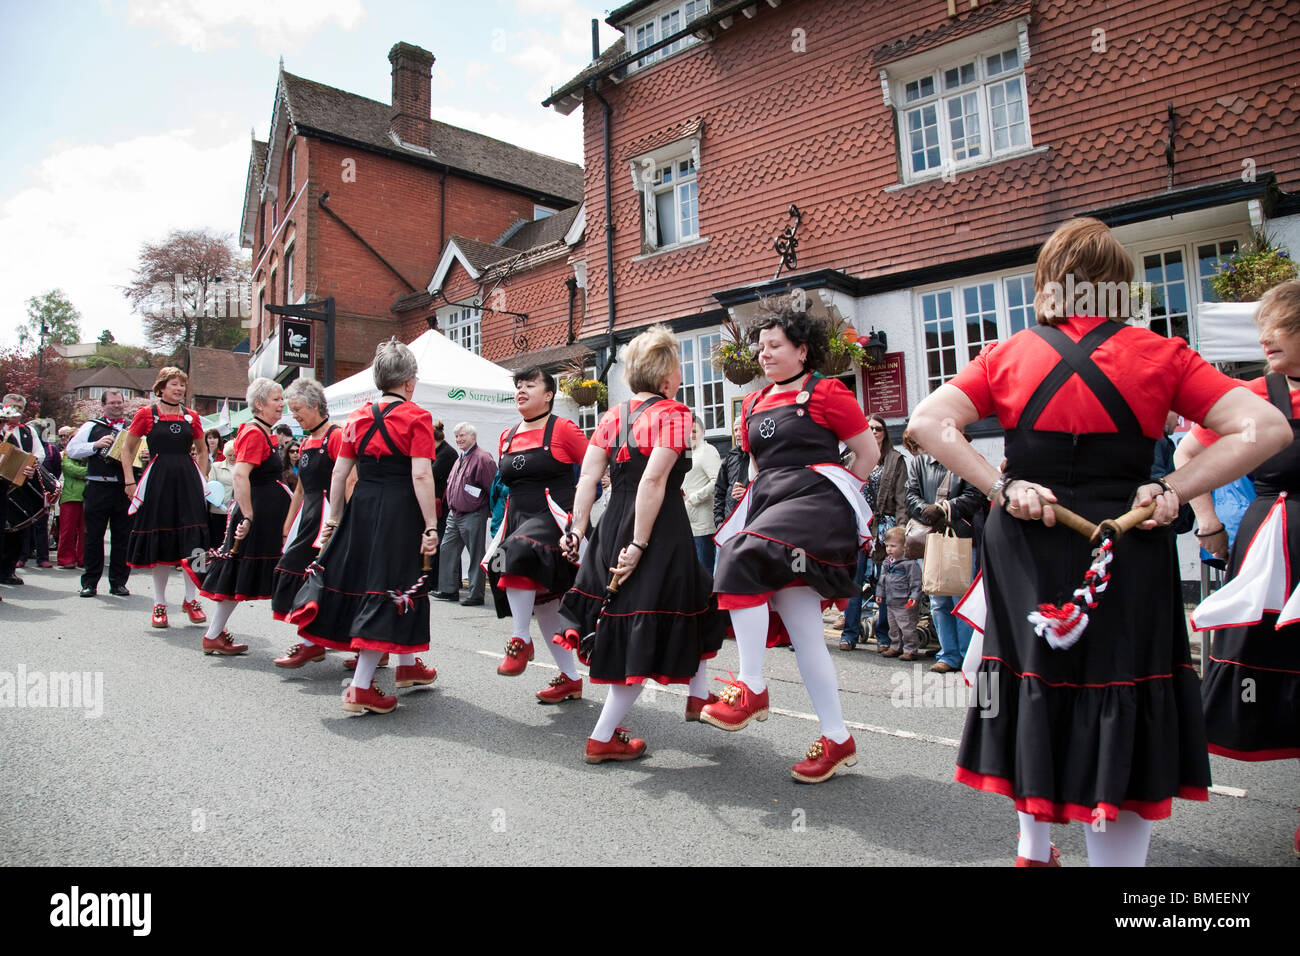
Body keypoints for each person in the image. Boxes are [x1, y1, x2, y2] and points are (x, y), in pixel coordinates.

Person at [907, 216, 1290, 867]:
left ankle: (1033, 850)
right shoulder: (1161, 354)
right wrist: (1172, 486)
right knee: (1122, 688)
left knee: (1034, 683)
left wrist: (1003, 489)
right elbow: (1266, 428)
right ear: (1119, 288)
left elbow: (927, 422)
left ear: (1049, 289)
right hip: (1128, 542)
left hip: (1026, 538)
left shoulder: (1008, 353)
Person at [702, 300, 879, 783]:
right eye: (760, 347)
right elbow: (757, 469)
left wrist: (838, 496)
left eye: (774, 346)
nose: (763, 354)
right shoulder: (754, 403)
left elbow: (867, 452)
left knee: (740, 556)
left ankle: (751, 685)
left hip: (814, 503)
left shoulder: (828, 392)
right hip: (771, 505)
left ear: (802, 351)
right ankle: (838, 738)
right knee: (805, 634)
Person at [556, 326, 727, 763]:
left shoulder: (613, 416)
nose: (681, 377)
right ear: (666, 374)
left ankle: (698, 694)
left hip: (614, 520)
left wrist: (577, 530)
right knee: (637, 621)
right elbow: (653, 480)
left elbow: (590, 478)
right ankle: (602, 736)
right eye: (678, 368)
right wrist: (639, 543)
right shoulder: (674, 414)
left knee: (698, 594)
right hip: (657, 525)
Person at [1175, 279, 1300, 857]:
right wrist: (1207, 521)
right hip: (1273, 546)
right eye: (1263, 325)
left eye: (1282, 324)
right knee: (1273, 668)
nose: (1265, 336)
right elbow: (1188, 454)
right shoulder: (1256, 395)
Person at [287, 339, 440, 714]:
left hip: (363, 506)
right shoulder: (416, 417)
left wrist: (336, 516)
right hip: (399, 507)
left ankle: (407, 665)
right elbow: (420, 474)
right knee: (389, 583)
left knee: (373, 580)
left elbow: (340, 473)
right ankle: (360, 687)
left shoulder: (356, 417)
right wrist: (432, 523)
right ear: (409, 382)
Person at [484, 367, 588, 702]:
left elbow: (595, 466)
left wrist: (584, 516)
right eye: (518, 385)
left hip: (553, 519)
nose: (521, 390)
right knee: (545, 607)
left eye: (530, 385)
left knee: (515, 555)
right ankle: (570, 678)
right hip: (517, 519)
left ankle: (519, 640)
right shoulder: (507, 436)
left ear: (548, 395)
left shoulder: (564, 429)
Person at [183, 378, 292, 656]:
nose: (282, 404)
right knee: (242, 572)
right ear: (259, 404)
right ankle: (311, 640)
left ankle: (213, 635)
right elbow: (240, 474)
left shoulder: (262, 431)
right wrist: (248, 515)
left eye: (282, 399)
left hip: (265, 513)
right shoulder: (255, 432)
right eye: (276, 399)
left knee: (240, 575)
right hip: (258, 514)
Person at [120, 367, 211, 629]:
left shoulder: (192, 416)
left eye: (182, 385)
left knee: (193, 540)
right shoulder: (146, 414)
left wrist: (202, 479)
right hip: (158, 482)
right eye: (174, 384)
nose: (179, 389)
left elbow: (203, 450)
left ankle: (191, 599)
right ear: (161, 388)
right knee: (160, 541)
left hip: (188, 482)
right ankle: (159, 603)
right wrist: (129, 480)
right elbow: (128, 449)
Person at [271, 378, 346, 669]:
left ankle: (312, 644)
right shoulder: (304, 441)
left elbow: (349, 479)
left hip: (329, 515)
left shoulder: (336, 436)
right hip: (309, 515)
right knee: (300, 572)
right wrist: (287, 525)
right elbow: (301, 488)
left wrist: (340, 520)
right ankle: (313, 643)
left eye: (298, 408)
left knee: (326, 579)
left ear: (315, 405)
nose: (295, 415)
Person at [905, 435, 984, 674]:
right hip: (930, 536)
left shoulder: (968, 458)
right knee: (939, 600)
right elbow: (910, 495)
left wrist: (943, 509)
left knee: (960, 599)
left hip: (960, 537)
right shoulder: (919, 463)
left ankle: (965, 655)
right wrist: (926, 511)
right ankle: (947, 654)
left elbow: (975, 494)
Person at [843, 415, 908, 651]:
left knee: (884, 584)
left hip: (885, 528)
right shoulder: (852, 458)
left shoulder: (895, 460)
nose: (873, 432)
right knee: (854, 582)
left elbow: (902, 498)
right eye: (868, 428)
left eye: (878, 429)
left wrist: (900, 530)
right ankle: (849, 634)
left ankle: (883, 636)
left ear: (884, 432)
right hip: (858, 527)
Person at [65, 390, 132, 597]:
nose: (116, 406)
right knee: (93, 536)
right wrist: (95, 445)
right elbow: (71, 450)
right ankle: (90, 583)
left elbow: (144, 451)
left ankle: (119, 582)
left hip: (124, 488)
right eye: (112, 403)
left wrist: (144, 454)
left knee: (123, 537)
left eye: (119, 402)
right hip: (97, 487)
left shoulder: (132, 427)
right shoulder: (92, 426)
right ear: (103, 405)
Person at [435, 422, 497, 606]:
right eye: (457, 436)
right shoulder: (460, 457)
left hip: (473, 513)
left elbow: (492, 487)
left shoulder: (483, 458)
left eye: (462, 435)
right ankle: (448, 590)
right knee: (446, 549)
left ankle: (476, 594)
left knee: (476, 554)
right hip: (455, 514)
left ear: (473, 437)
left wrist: (490, 511)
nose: (459, 439)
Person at [1, 395, 46, 586]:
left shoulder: (29, 431)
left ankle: (8, 570)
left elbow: (39, 453)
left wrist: (30, 465)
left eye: (19, 407)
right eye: (11, 406)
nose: (15, 410)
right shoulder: (3, 430)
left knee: (17, 528)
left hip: (19, 485)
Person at [683, 414, 722, 569]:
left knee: (705, 567)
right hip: (689, 520)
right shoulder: (688, 452)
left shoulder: (708, 450)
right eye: (687, 431)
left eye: (694, 431)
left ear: (703, 432)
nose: (690, 435)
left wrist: (694, 498)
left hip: (704, 521)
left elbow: (717, 481)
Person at [877, 527, 922, 658]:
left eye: (893, 546)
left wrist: (914, 597)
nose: (889, 549)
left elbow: (916, 582)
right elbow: (882, 580)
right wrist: (880, 594)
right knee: (893, 627)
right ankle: (896, 646)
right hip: (891, 601)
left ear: (904, 547)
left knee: (907, 627)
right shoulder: (887, 563)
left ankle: (910, 649)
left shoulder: (910, 564)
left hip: (905, 602)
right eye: (887, 546)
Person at [57, 428, 86, 570]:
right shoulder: (65, 456)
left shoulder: (91, 455)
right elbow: (70, 470)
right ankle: (65, 558)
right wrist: (88, 472)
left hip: (88, 496)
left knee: (86, 531)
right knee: (67, 530)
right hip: (70, 496)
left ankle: (84, 558)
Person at [713, 416, 748, 530]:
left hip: (751, 520)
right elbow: (719, 490)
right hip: (729, 522)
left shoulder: (758, 456)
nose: (737, 434)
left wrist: (748, 495)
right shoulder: (730, 457)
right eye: (735, 430)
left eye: (740, 429)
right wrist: (718, 521)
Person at [206, 440, 236, 548]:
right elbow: (210, 487)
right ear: (225, 454)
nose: (232, 457)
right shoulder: (216, 467)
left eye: (234, 455)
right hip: (218, 510)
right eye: (229, 455)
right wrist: (218, 503)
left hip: (235, 511)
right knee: (218, 540)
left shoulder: (242, 468)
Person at [432, 420, 457, 541]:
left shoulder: (447, 453)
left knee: (440, 538)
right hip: (437, 503)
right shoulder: (438, 451)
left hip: (443, 504)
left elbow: (431, 474)